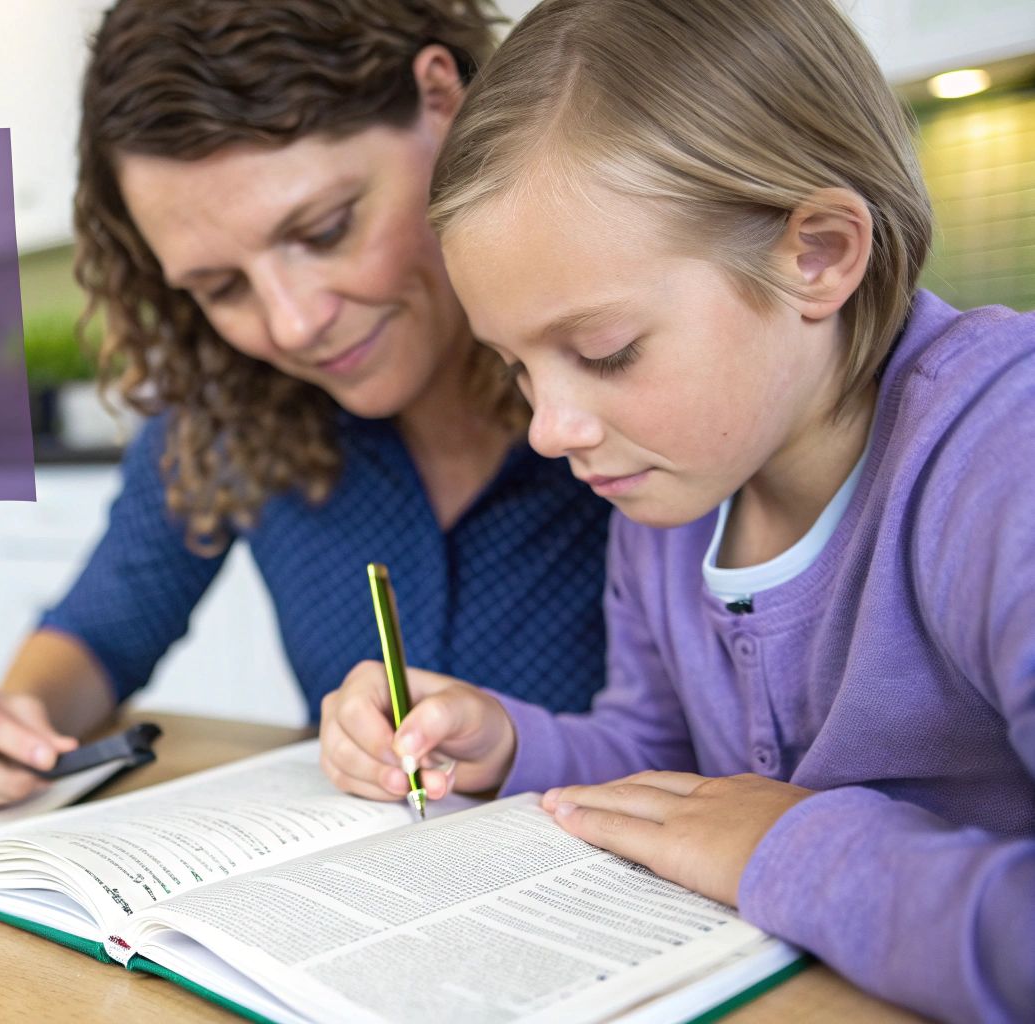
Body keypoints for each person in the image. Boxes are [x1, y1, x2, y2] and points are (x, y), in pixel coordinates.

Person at [320, 0, 1035, 1019]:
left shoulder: (1000, 459)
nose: (548, 428)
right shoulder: (670, 492)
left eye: (605, 351)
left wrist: (791, 847)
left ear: (818, 255)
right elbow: (658, 764)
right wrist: (509, 745)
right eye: (516, 366)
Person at [0, 0, 612, 815]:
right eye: (221, 288)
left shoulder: (635, 367)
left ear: (440, 101)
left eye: (326, 228)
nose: (293, 323)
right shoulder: (233, 409)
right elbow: (102, 631)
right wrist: (9, 726)